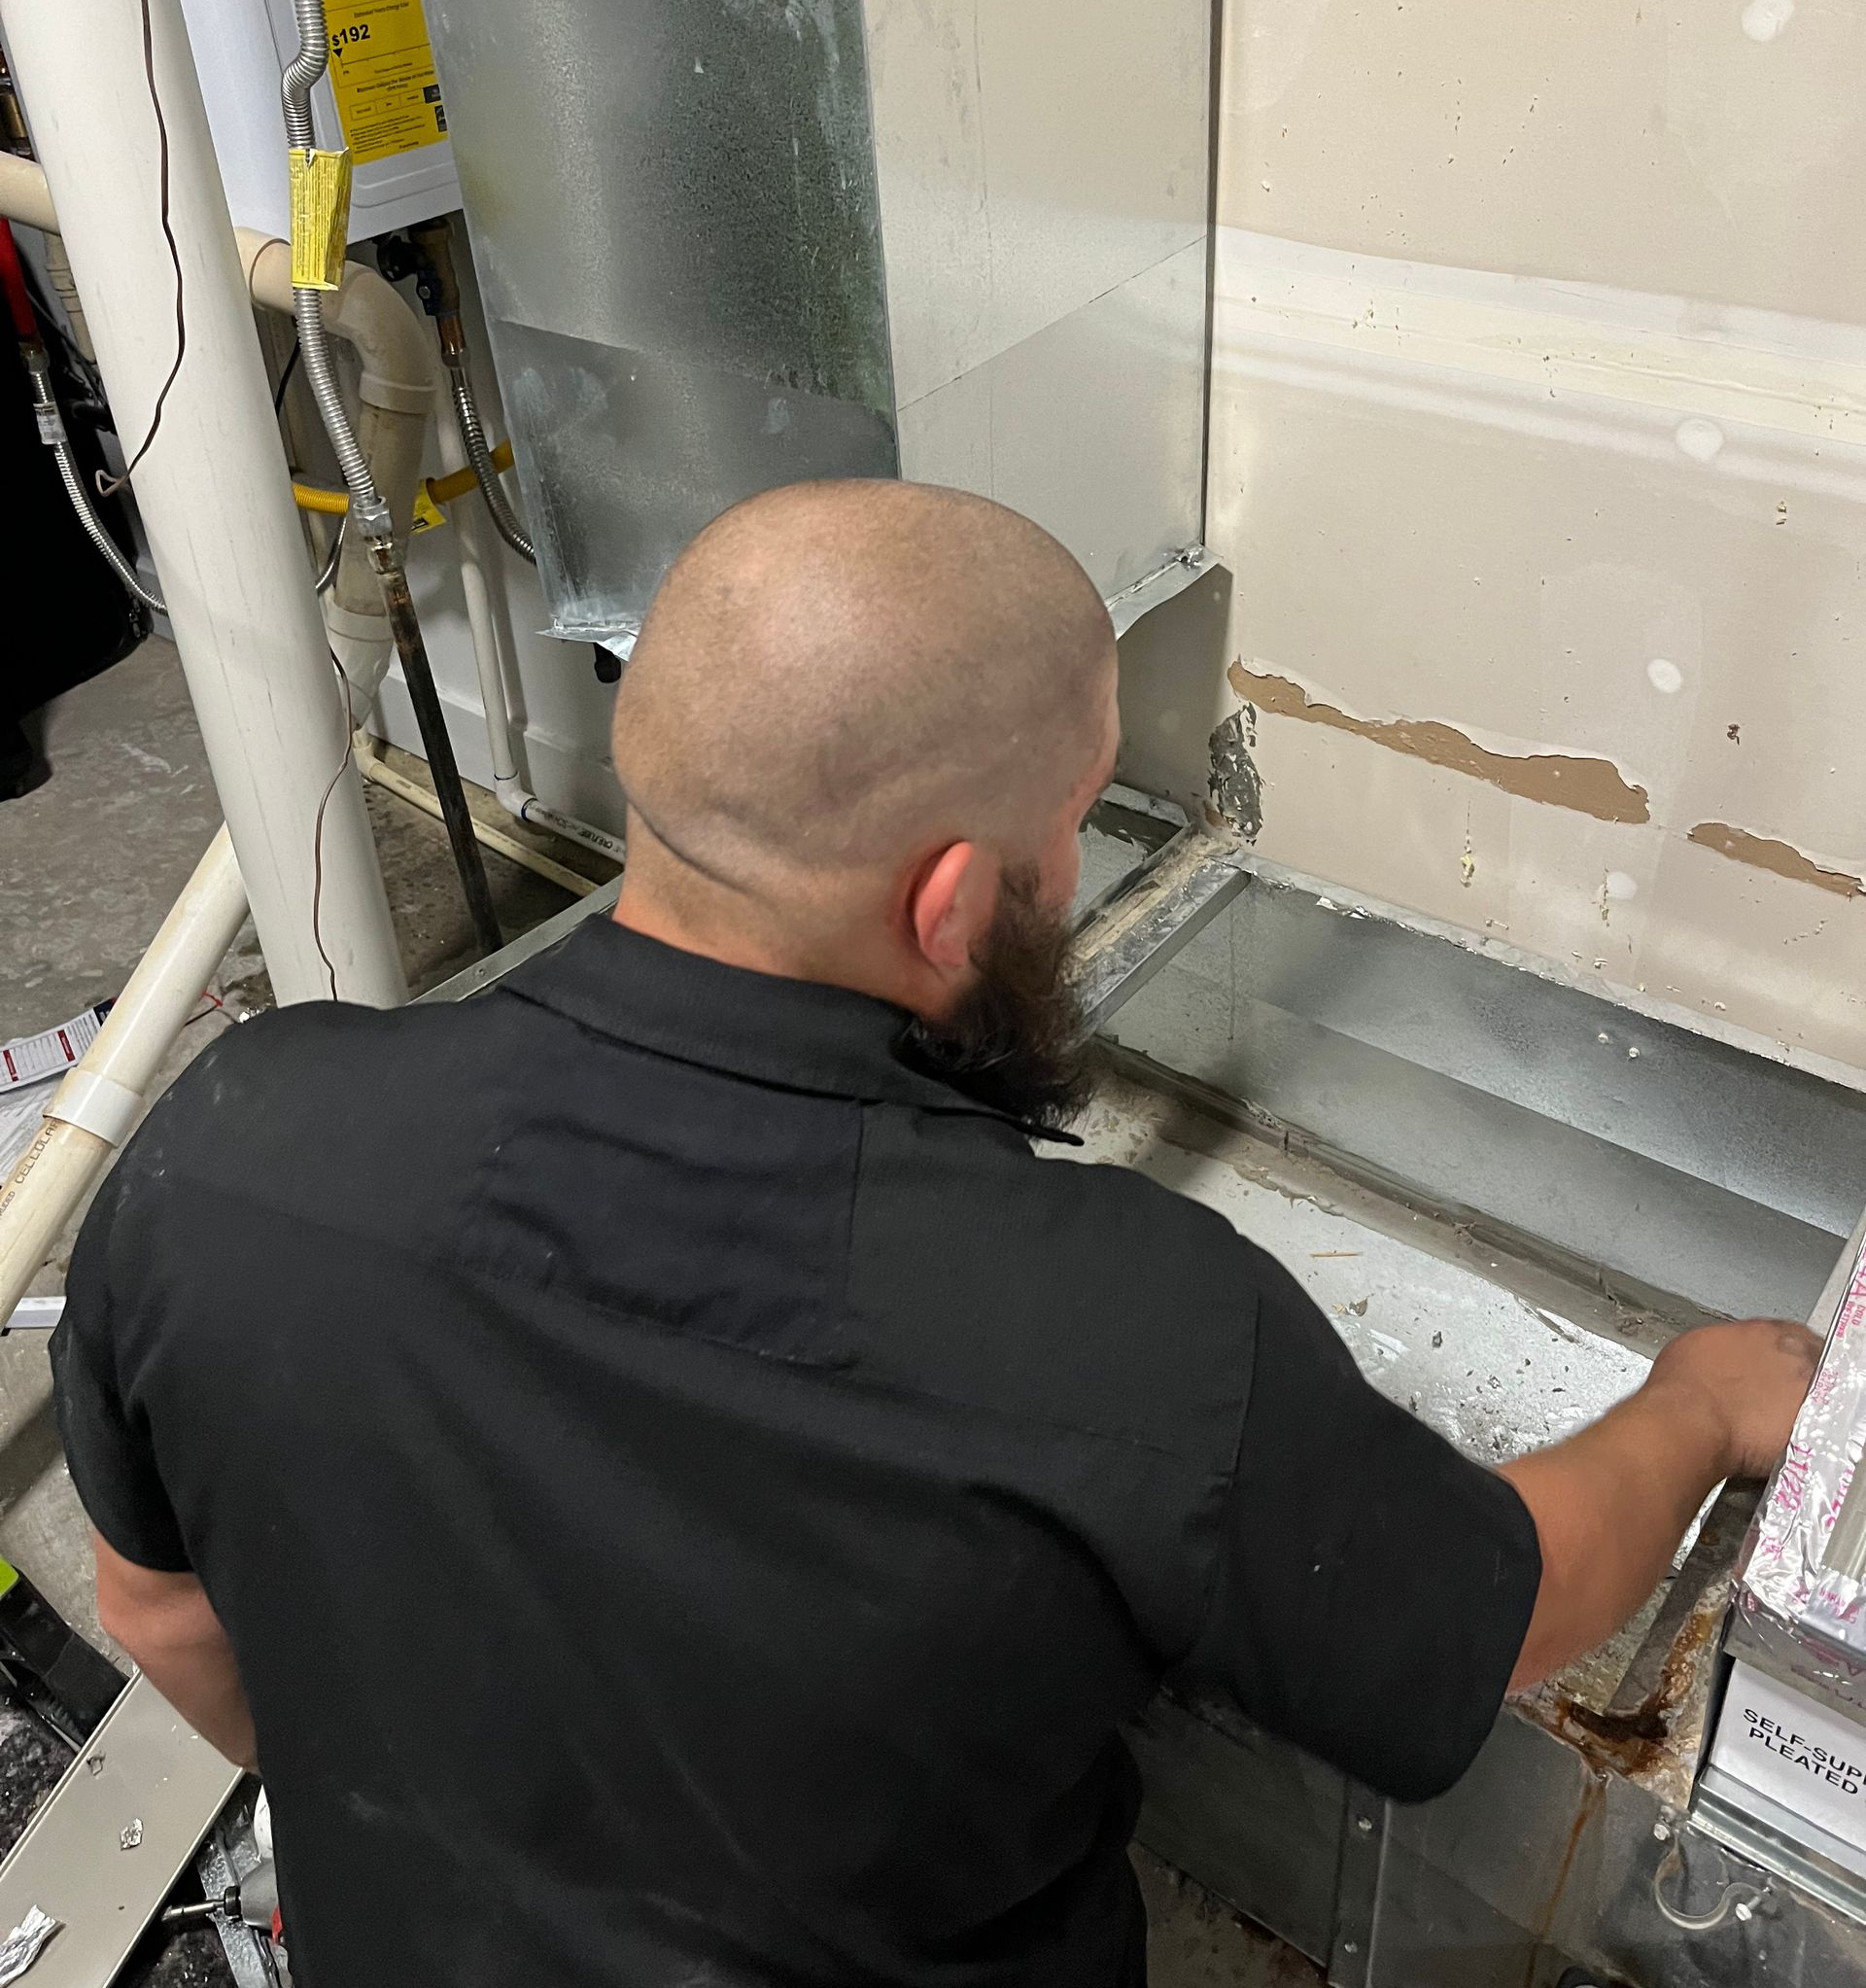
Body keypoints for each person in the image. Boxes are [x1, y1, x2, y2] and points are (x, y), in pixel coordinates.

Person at [53, 481, 1815, 1988]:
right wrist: (1695, 1407)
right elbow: (1504, 1611)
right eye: (1073, 826)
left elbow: (154, 1601)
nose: (1071, 866)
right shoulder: (1139, 1333)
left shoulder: (237, 1135)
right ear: (954, 897)